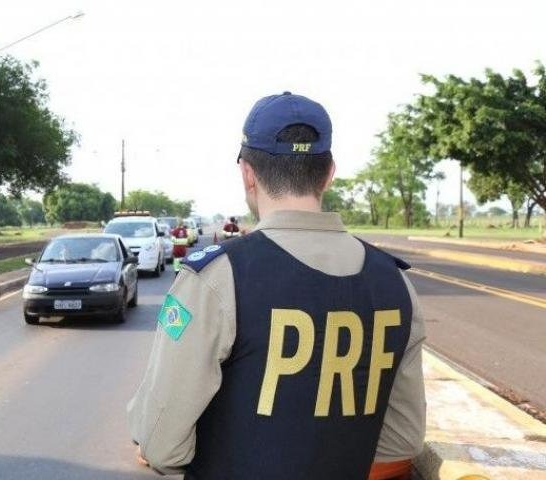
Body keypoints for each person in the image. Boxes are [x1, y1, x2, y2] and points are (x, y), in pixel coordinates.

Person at [127, 92, 426, 479]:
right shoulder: (395, 282)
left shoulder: (218, 277)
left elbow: (161, 445)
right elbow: (402, 441)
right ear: (329, 172)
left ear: (247, 173)